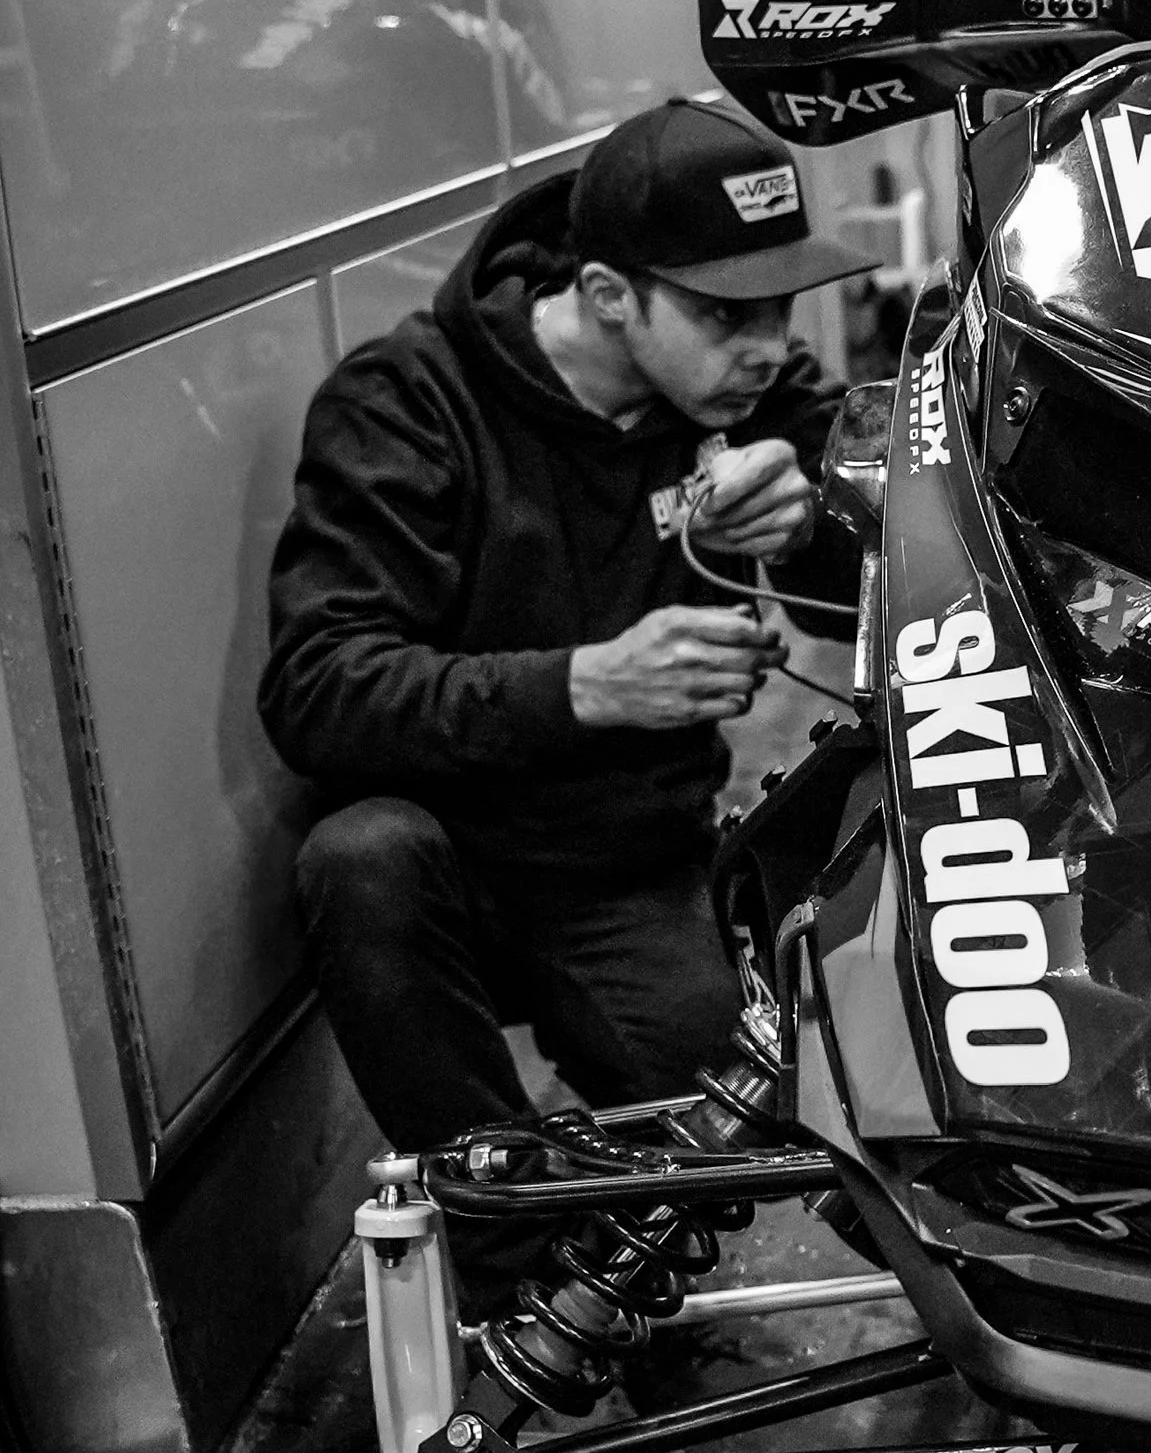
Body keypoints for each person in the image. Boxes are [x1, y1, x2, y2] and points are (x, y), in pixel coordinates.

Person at [260, 97, 867, 1179]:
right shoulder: (409, 404)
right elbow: (318, 688)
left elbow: (885, 593)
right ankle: (520, 1260)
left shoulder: (755, 392)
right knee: (358, 857)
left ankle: (608, 1238)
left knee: (756, 1142)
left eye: (780, 308)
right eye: (726, 316)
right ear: (606, 295)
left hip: (632, 860)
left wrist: (811, 528)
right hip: (457, 864)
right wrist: (585, 685)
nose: (769, 349)